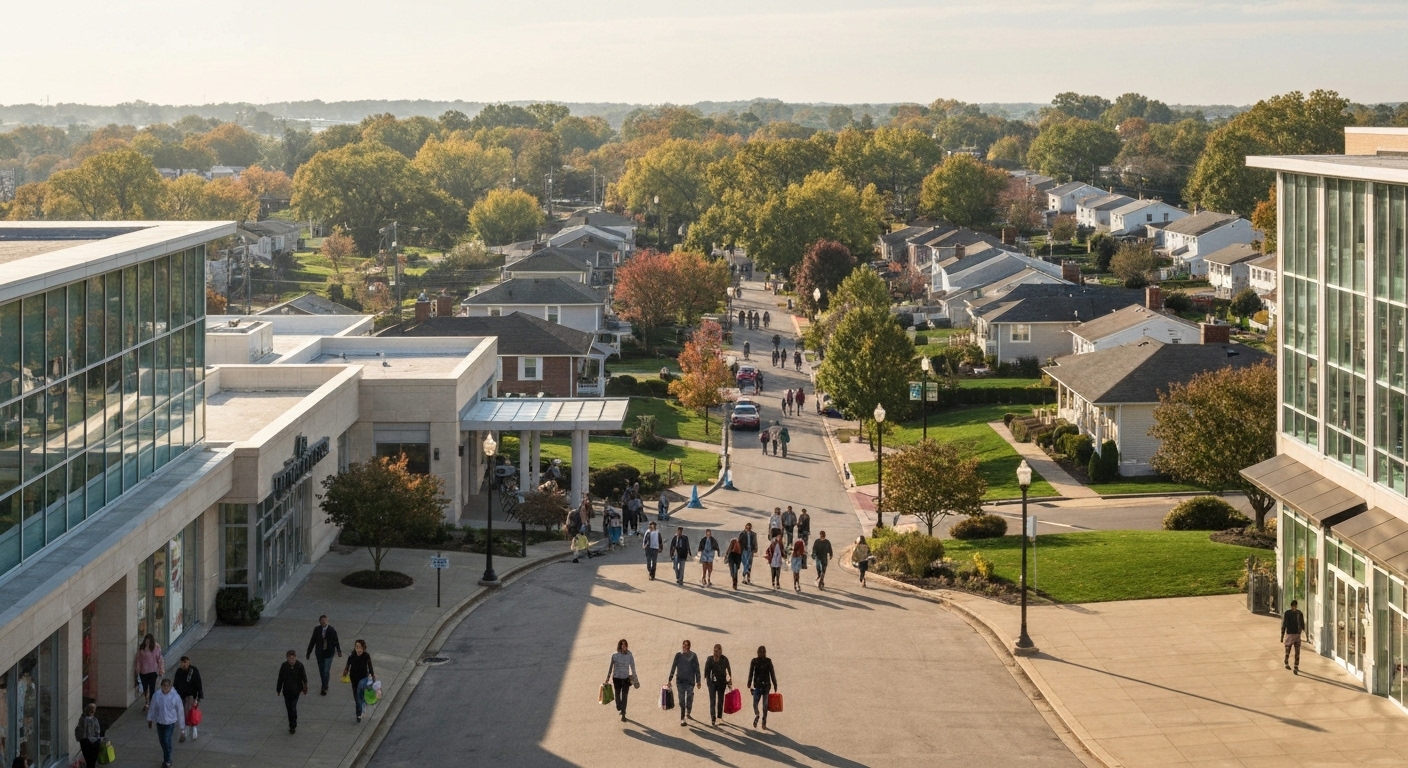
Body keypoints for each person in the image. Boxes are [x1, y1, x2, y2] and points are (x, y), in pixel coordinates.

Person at [147, 677, 184, 766]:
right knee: (162, 741)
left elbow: (180, 711)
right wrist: (150, 719)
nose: (166, 688)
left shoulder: (175, 697)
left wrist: (182, 727)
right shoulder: (157, 695)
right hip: (160, 722)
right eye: (164, 686)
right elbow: (153, 708)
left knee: (166, 739)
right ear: (161, 686)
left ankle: (168, 760)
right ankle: (168, 752)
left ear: (170, 686)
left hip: (170, 723)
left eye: (167, 686)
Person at [305, 614, 342, 696]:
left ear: (327, 621)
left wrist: (339, 650)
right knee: (322, 670)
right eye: (322, 620)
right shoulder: (317, 630)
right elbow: (312, 641)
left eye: (325, 620)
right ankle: (325, 684)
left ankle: (324, 687)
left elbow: (336, 640)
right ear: (320, 622)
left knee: (326, 670)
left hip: (329, 653)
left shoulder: (331, 630)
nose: (324, 622)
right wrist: (308, 652)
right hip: (319, 653)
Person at [668, 640, 702, 726]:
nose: (685, 647)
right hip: (680, 681)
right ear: (682, 646)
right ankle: (682, 718)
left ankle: (688, 710)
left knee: (689, 698)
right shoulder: (678, 655)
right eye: (684, 646)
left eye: (687, 646)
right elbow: (673, 666)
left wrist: (698, 681)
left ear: (689, 647)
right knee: (682, 700)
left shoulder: (693, 656)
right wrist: (670, 679)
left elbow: (697, 669)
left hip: (690, 681)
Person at [605, 639, 638, 723]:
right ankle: (619, 706)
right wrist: (607, 678)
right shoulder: (615, 655)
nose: (624, 646)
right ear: (619, 646)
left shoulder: (629, 655)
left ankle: (623, 713)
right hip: (617, 678)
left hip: (626, 679)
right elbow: (610, 667)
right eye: (622, 645)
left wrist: (636, 680)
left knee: (625, 697)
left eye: (625, 645)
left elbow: (633, 667)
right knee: (617, 695)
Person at [343, 639, 376, 723]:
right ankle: (359, 712)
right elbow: (348, 664)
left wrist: (372, 675)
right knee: (357, 697)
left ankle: (360, 708)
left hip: (363, 679)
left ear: (363, 648)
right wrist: (345, 672)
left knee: (360, 694)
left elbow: (370, 666)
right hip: (354, 679)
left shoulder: (366, 656)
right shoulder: (352, 655)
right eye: (356, 647)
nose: (357, 648)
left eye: (359, 647)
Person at [172, 656, 204, 742]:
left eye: (185, 662)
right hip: (181, 696)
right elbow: (175, 684)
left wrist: (198, 697)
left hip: (190, 696)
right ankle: (183, 731)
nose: (184, 664)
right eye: (182, 662)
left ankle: (193, 728)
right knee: (182, 714)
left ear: (189, 662)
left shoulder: (193, 671)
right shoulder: (179, 672)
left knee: (191, 714)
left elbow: (198, 683)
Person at [275, 650, 308, 734]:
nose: (292, 661)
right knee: (289, 709)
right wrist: (278, 689)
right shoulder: (284, 666)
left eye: (293, 659)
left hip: (296, 691)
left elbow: (304, 678)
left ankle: (293, 725)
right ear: (287, 659)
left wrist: (304, 688)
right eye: (290, 659)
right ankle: (291, 723)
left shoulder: (300, 666)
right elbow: (280, 679)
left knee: (293, 707)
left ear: (295, 658)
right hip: (287, 691)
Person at [747, 646, 778, 730]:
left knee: (765, 705)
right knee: (755, 703)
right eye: (760, 652)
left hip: (766, 686)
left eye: (763, 652)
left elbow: (772, 673)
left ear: (765, 653)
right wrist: (749, 682)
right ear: (757, 653)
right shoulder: (754, 661)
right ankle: (757, 715)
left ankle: (764, 720)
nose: (761, 654)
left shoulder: (768, 661)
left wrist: (775, 683)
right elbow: (751, 672)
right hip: (757, 686)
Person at [704, 644, 733, 727]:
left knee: (720, 701)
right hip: (712, 684)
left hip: (722, 683)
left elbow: (728, 671)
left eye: (719, 651)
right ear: (714, 651)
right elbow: (706, 671)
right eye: (716, 651)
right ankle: (713, 718)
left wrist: (729, 682)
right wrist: (708, 682)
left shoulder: (724, 659)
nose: (718, 653)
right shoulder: (710, 659)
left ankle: (719, 717)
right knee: (712, 701)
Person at [134, 633, 164, 711]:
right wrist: (138, 669)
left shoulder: (156, 647)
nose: (147, 642)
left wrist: (161, 669)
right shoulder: (141, 648)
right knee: (145, 688)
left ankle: (151, 703)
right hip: (143, 671)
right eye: (146, 640)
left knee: (152, 688)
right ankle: (147, 701)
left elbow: (160, 658)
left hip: (153, 671)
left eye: (149, 641)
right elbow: (138, 660)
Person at [75, 703, 104, 768]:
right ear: (93, 711)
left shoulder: (82, 719)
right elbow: (98, 732)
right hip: (93, 744)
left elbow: (78, 730)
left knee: (88, 760)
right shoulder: (94, 720)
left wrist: (79, 739)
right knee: (92, 762)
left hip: (84, 742)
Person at [1282, 599, 1307, 673]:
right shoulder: (1290, 613)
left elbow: (1302, 624)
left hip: (1294, 634)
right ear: (1292, 606)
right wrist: (1282, 635)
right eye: (1294, 606)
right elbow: (1284, 624)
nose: (1294, 608)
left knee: (1296, 651)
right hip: (1292, 634)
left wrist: (1302, 632)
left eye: (1295, 606)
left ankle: (1294, 665)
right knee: (1289, 651)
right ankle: (1288, 662)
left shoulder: (1298, 613)